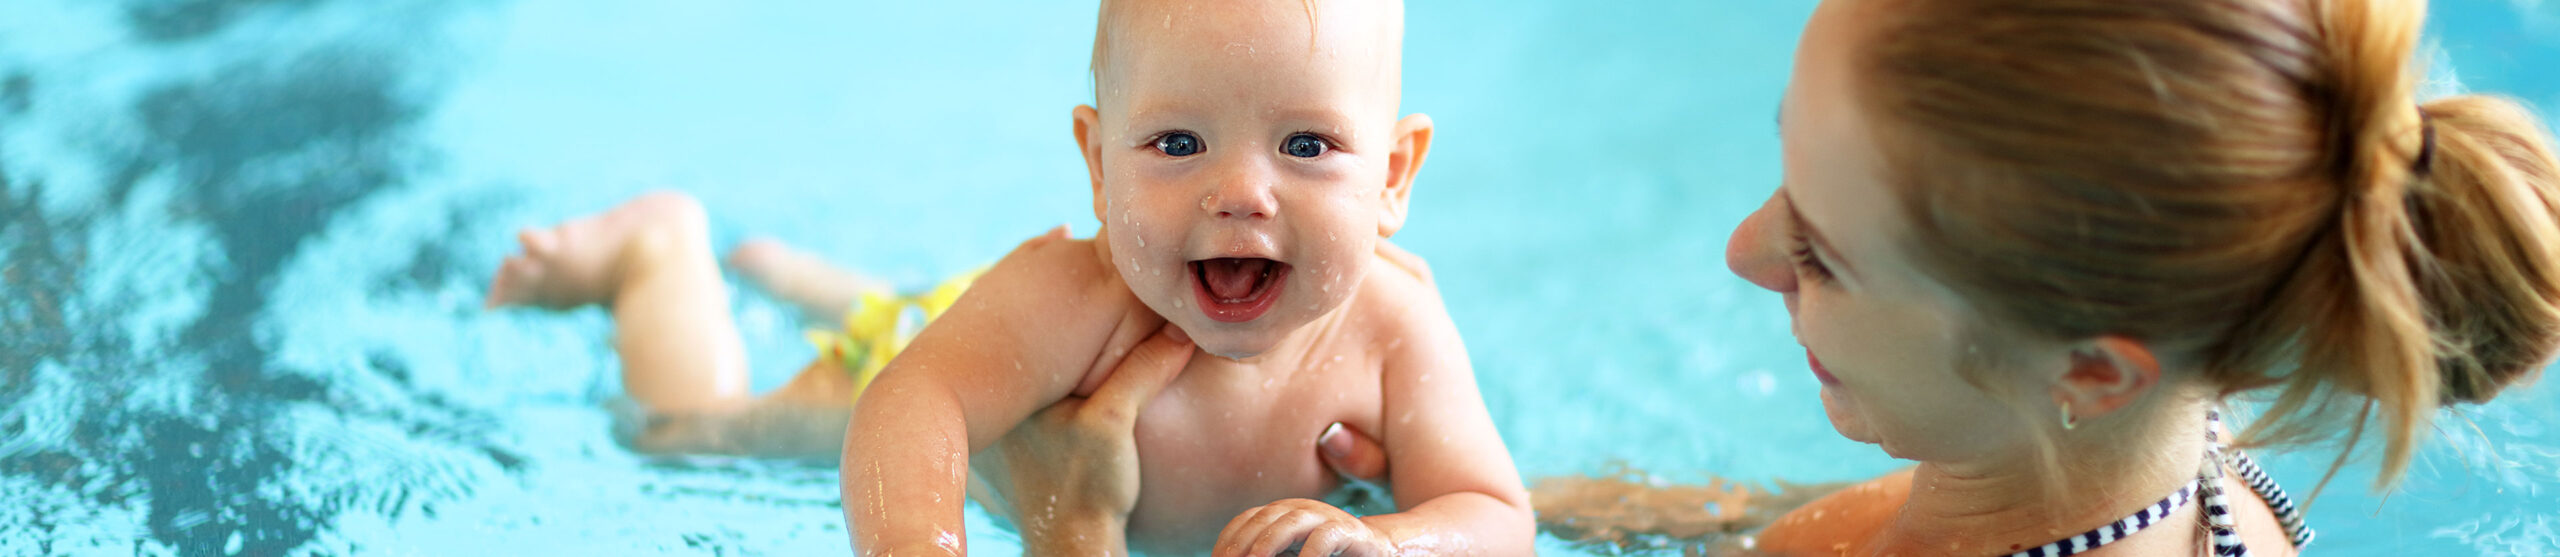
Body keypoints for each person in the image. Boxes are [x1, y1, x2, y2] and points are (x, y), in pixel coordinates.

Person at [1027, 0, 2560, 555]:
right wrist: (1484, 509)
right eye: (1786, 175)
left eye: (1821, 251)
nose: (1743, 249)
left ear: (2094, 364)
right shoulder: (2192, 464)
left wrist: (1076, 526)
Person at [487, 0, 1534, 554]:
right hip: (969, 340)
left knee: (950, 316)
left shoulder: (1395, 327)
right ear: (1095, 160)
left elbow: (1492, 509)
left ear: (1394, 175)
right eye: (1176, 142)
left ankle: (822, 283)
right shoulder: (1076, 300)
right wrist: (915, 540)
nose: (1240, 193)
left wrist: (1395, 540)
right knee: (685, 429)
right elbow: (916, 394)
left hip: (987, 332)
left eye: (1306, 146)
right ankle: (657, 253)